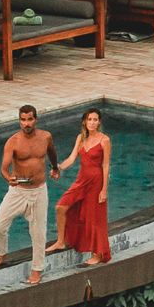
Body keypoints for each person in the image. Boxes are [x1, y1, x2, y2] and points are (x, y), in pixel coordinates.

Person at [0, 103, 59, 285]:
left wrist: (55, 167)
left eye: (29, 119)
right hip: (18, 190)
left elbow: (52, 152)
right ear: (19, 121)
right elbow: (3, 169)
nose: (26, 123)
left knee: (38, 233)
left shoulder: (45, 137)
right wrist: (8, 179)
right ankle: (1, 252)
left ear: (35, 119)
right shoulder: (13, 141)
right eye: (23, 120)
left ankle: (37, 269)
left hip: (39, 191)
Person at [48, 107, 112, 266]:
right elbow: (71, 158)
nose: (92, 122)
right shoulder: (80, 138)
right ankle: (61, 241)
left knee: (94, 218)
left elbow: (105, 166)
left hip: (96, 182)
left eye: (95, 120)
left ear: (99, 122)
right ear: (84, 121)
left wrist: (104, 190)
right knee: (61, 207)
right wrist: (58, 168)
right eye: (89, 119)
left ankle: (97, 254)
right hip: (81, 180)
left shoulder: (105, 140)